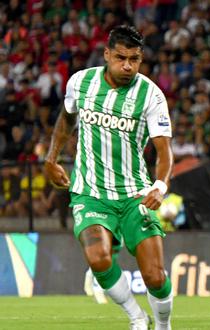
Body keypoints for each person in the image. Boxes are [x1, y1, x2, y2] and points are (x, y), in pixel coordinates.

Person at [43, 26, 174, 330]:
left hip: (134, 194)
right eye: (121, 58)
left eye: (134, 59)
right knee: (98, 258)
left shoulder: (151, 95)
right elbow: (67, 117)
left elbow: (164, 151)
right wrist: (51, 159)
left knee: (155, 276)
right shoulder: (81, 82)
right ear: (107, 55)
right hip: (90, 191)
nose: (127, 65)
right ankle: (136, 317)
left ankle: (164, 325)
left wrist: (160, 185)